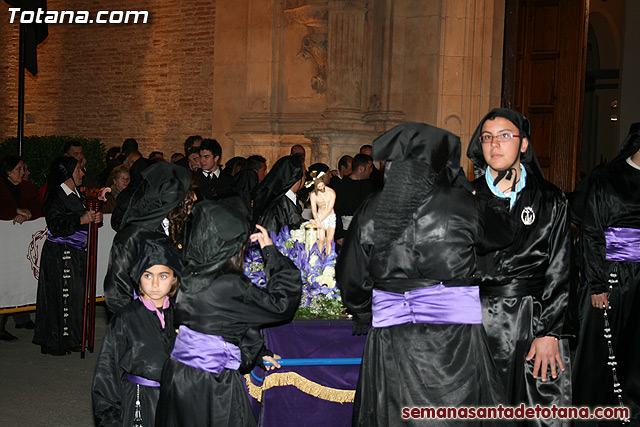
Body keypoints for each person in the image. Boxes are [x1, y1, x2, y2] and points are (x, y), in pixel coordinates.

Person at [336, 122, 513, 426]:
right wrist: (472, 190)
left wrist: (365, 312)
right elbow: (505, 233)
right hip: (453, 341)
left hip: (394, 338)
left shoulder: (372, 207)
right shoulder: (464, 204)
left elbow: (350, 275)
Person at [156, 201, 302, 426]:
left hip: (179, 375)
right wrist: (271, 253)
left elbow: (219, 324)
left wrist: (257, 352)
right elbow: (281, 304)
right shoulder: (230, 285)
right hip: (212, 382)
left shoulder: (189, 273)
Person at [466, 108, 571, 421]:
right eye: (487, 138)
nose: (494, 144)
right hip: (475, 320)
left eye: (504, 136)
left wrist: (550, 332)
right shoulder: (465, 197)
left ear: (523, 144)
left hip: (532, 318)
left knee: (534, 410)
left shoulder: (550, 199)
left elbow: (560, 267)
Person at [572, 123, 640, 422]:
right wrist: (597, 283)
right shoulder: (606, 177)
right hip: (611, 277)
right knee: (600, 356)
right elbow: (592, 231)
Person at [93, 240, 182, 427]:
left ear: (174, 279)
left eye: (163, 276)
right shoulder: (125, 318)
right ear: (139, 277)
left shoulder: (182, 316)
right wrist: (109, 415)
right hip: (141, 400)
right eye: (148, 275)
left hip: (177, 399)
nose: (155, 283)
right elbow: (107, 369)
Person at [104, 162, 194, 315]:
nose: (194, 197)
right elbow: (117, 293)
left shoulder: (179, 228)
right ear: (171, 195)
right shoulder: (132, 236)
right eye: (188, 193)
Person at [33, 156, 103, 356]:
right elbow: (56, 225)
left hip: (75, 252)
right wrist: (81, 219)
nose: (83, 174)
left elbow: (82, 219)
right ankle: (56, 341)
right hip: (60, 253)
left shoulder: (75, 194)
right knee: (61, 297)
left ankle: (72, 338)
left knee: (75, 296)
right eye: (79, 170)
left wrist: (94, 218)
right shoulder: (55, 196)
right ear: (67, 174)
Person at [0, 155, 43, 340]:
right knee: (5, 281)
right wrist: (16, 211)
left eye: (23, 169)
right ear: (8, 172)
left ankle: (22, 316)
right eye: (18, 169)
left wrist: (27, 215)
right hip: (4, 242)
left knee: (20, 277)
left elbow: (37, 208)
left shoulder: (27, 188)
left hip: (20, 242)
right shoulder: (1, 187)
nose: (23, 172)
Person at [251, 155, 305, 233]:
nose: (305, 177)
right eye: (304, 174)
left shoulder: (288, 199)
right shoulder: (276, 206)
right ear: (297, 177)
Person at [334, 153, 374, 244]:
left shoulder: (368, 185)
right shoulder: (341, 186)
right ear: (361, 168)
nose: (371, 170)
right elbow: (336, 211)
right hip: (347, 232)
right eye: (369, 167)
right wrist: (339, 235)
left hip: (365, 232)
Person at [308, 171, 336, 255]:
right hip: (320, 216)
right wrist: (317, 219)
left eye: (322, 185)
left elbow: (329, 209)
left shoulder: (331, 192)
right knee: (321, 239)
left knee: (330, 240)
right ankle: (319, 257)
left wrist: (319, 220)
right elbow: (313, 209)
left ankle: (329, 258)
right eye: (319, 186)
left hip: (330, 216)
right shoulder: (313, 195)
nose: (321, 187)